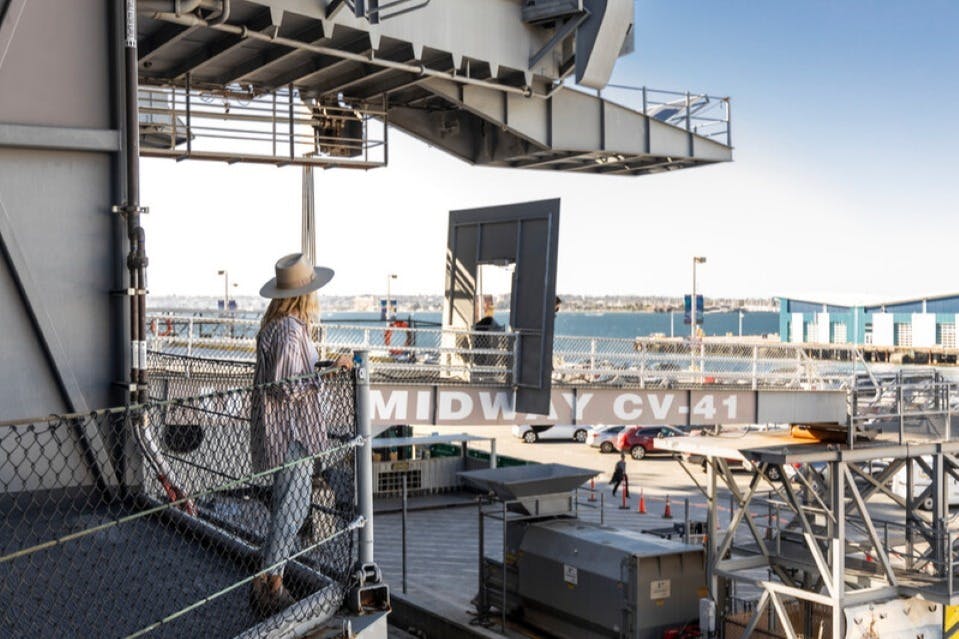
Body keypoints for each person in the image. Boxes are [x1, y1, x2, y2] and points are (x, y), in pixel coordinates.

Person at [249, 253, 351, 617]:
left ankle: (267, 579)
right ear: (306, 294)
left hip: (279, 432)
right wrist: (331, 370)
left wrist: (321, 366)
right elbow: (287, 386)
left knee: (286, 506)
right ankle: (270, 582)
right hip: (292, 434)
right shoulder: (291, 331)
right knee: (293, 508)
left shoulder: (275, 327)